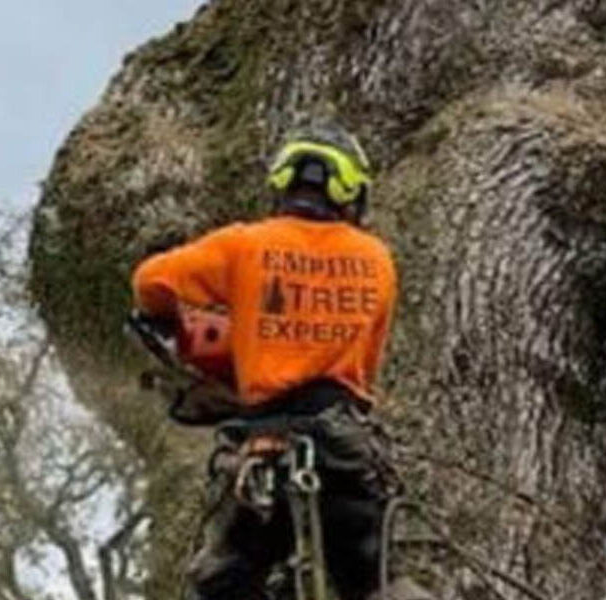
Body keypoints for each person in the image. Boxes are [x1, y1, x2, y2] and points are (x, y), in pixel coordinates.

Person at [130, 122, 421, 600]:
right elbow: (366, 366)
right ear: (349, 189)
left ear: (283, 182)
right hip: (342, 445)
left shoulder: (245, 245)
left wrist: (188, 327)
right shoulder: (377, 259)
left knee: (222, 582)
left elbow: (149, 283)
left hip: (263, 449)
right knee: (379, 583)